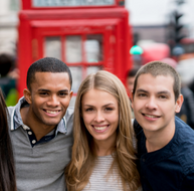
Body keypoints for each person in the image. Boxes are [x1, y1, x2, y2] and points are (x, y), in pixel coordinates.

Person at [66, 71, 140, 191]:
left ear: (121, 110)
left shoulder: (142, 142)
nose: (99, 118)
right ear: (80, 113)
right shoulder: (68, 149)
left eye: (108, 109)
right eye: (89, 109)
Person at [7, 57, 74, 190]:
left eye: (62, 94)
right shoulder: (0, 122)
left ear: (70, 96)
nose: (54, 102)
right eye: (44, 93)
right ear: (28, 95)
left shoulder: (77, 124)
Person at [132, 61, 194, 190]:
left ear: (178, 103)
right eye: (143, 95)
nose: (151, 105)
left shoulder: (189, 166)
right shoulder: (137, 128)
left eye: (162, 96)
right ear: (132, 99)